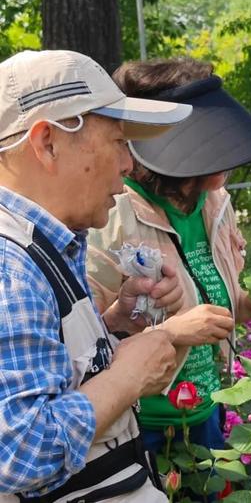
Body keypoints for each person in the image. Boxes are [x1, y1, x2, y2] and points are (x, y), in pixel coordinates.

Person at [0, 50, 194, 502]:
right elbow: (17, 452)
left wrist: (116, 324)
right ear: (47, 142)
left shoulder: (41, 245)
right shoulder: (9, 268)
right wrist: (128, 377)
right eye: (118, 142)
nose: (129, 166)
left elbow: (43, 373)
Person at [86, 57, 251, 456]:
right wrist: (170, 333)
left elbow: (208, 293)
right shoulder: (111, 213)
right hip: (144, 425)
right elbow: (87, 343)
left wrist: (244, 305)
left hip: (206, 411)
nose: (220, 168)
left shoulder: (213, 204)